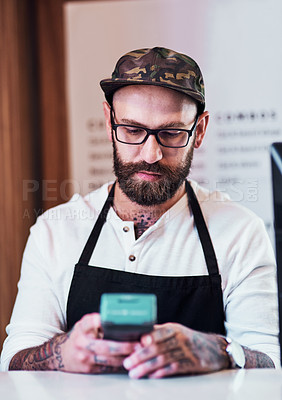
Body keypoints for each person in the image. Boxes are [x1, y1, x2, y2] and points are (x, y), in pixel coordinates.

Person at [0, 47, 279, 377]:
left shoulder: (240, 232)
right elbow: (14, 360)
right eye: (132, 130)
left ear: (199, 131)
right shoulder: (55, 230)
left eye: (171, 133)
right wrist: (60, 353)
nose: (150, 154)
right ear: (109, 122)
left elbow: (270, 362)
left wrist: (219, 350)